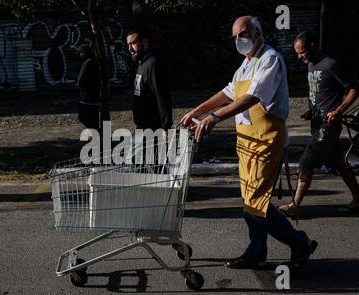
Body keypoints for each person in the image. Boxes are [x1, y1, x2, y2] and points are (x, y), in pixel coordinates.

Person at [181, 16, 317, 274]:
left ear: (257, 32)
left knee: (257, 204)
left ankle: (299, 243)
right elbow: (228, 93)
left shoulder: (270, 60)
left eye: (242, 34)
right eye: (234, 37)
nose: (238, 40)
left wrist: (215, 117)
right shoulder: (244, 66)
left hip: (266, 141)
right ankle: (257, 251)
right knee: (249, 202)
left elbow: (253, 97)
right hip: (246, 143)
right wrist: (196, 111)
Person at [279, 31, 359, 216]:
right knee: (338, 162)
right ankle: (357, 197)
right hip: (316, 122)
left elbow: (355, 87)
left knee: (306, 162)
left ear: (313, 46)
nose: (299, 56)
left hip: (328, 125)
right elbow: (318, 91)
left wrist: (339, 110)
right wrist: (310, 109)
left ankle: (294, 206)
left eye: (302, 52)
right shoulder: (311, 65)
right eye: (298, 53)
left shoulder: (330, 64)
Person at [126, 26, 173, 168]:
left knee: (136, 163)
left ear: (145, 42)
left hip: (152, 127)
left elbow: (162, 95)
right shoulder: (142, 63)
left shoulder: (152, 64)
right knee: (148, 166)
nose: (130, 48)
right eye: (128, 44)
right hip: (143, 125)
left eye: (133, 43)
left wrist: (166, 127)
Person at [76, 44, 101, 130]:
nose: (80, 55)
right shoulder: (95, 62)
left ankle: (96, 134)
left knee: (84, 117)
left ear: (84, 53)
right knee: (93, 118)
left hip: (87, 97)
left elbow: (81, 80)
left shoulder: (87, 63)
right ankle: (96, 133)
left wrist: (79, 85)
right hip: (93, 96)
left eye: (81, 53)